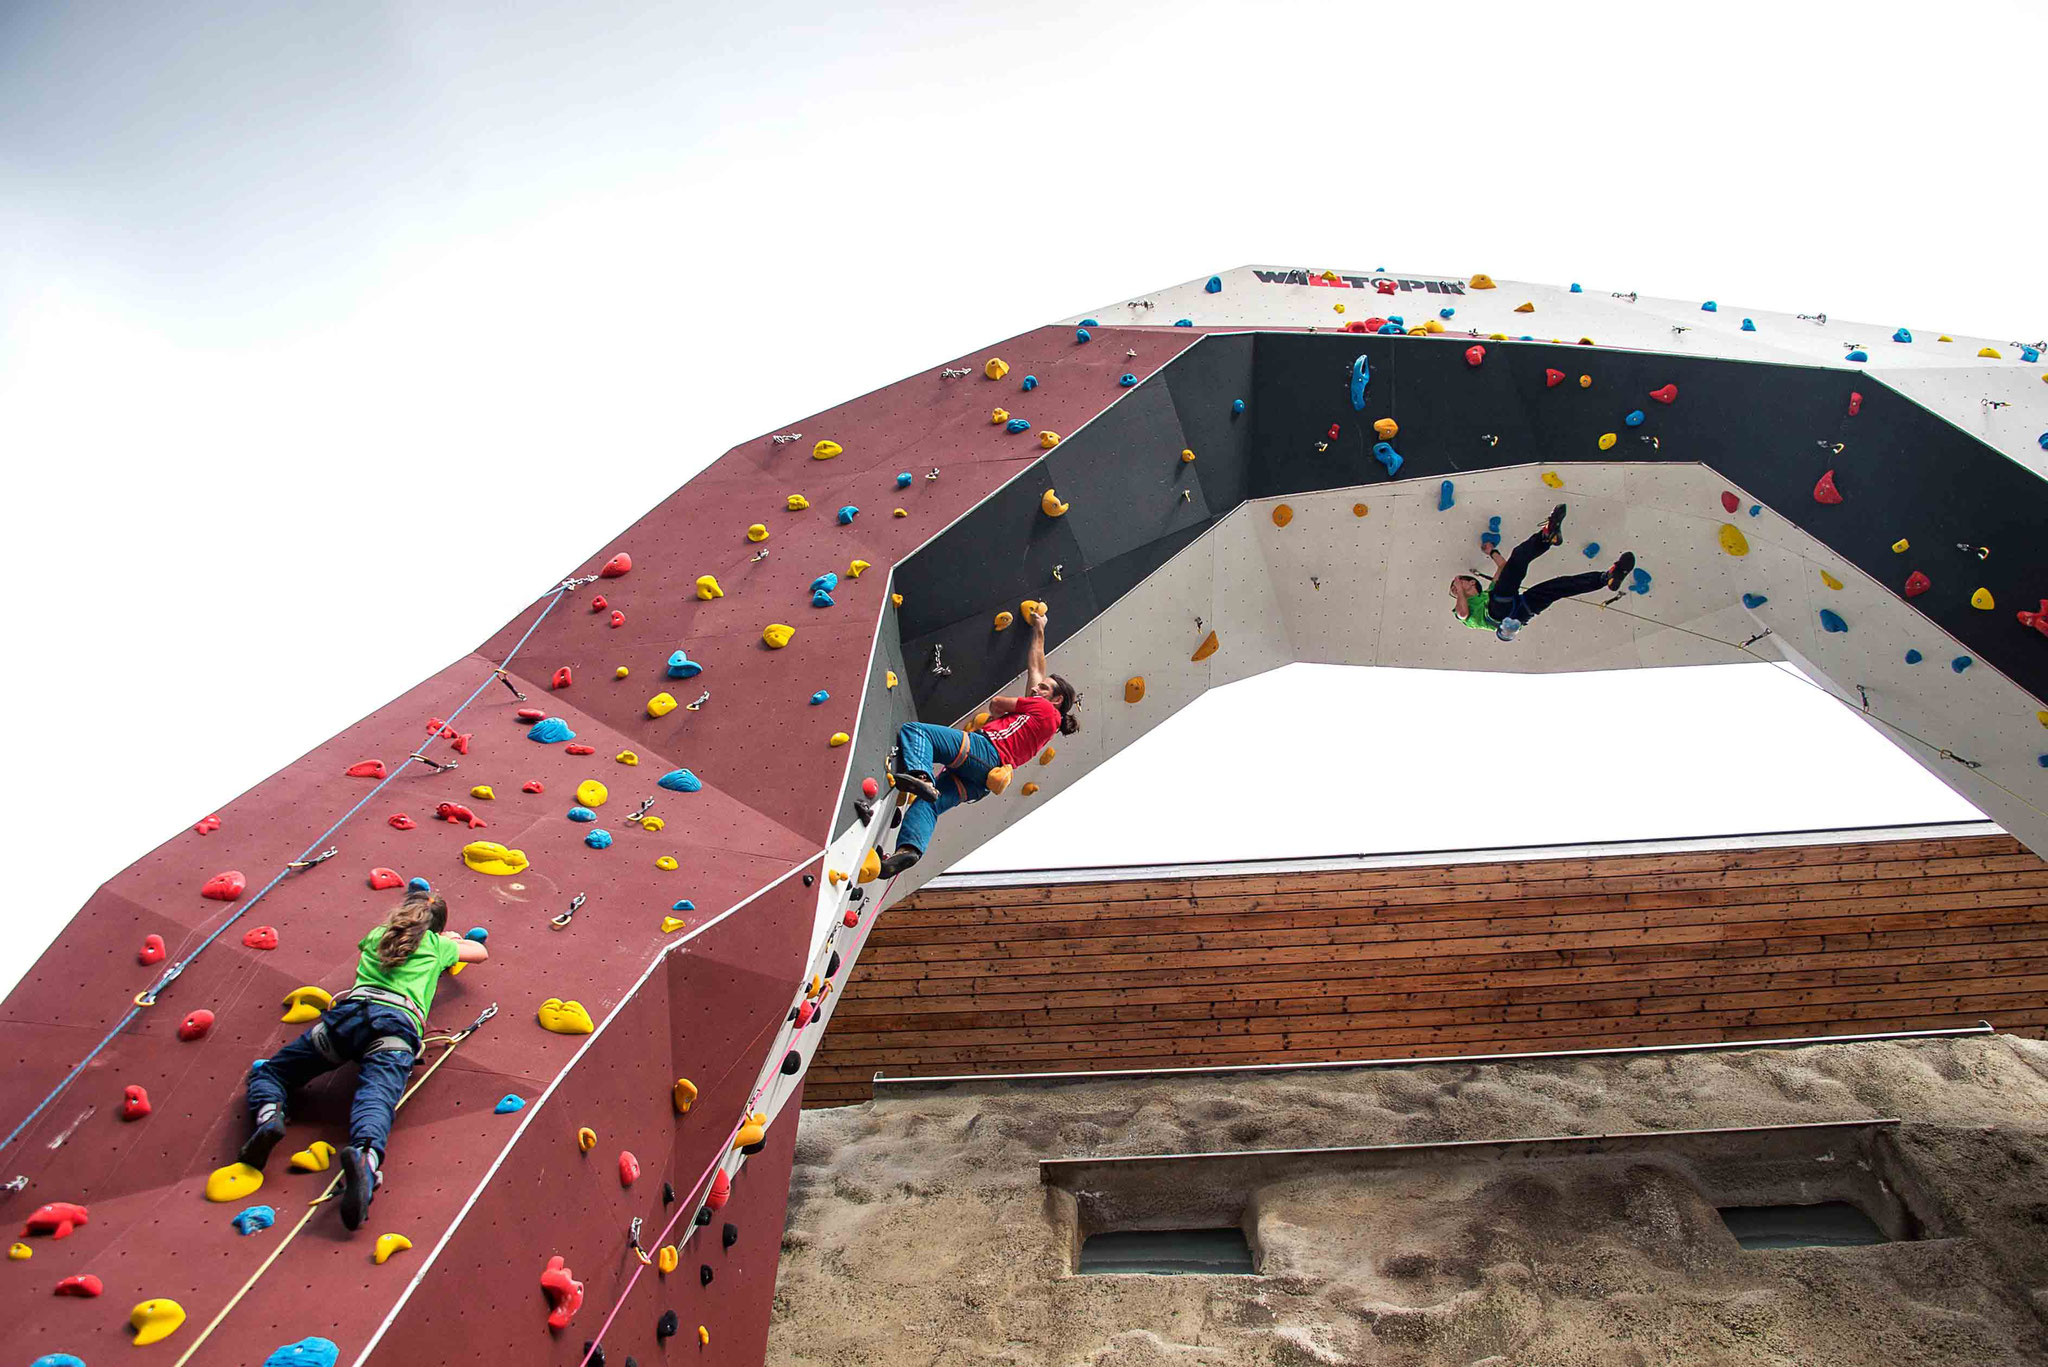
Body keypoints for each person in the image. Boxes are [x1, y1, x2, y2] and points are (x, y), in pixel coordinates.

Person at [237, 889, 487, 1230]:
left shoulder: (375, 936)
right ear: (437, 928)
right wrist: (451, 940)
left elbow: (396, 945)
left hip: (346, 1022)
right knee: (376, 1100)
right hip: (394, 1031)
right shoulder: (438, 946)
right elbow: (480, 953)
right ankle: (364, 1159)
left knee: (273, 1074)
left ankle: (269, 1117)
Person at [858, 605, 1079, 877]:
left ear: (1057, 700)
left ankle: (921, 775)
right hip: (984, 781)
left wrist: (999, 711)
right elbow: (1036, 664)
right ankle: (908, 851)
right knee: (931, 804)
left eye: (1043, 688)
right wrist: (1039, 627)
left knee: (917, 732)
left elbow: (997, 704)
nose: (1036, 688)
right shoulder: (1044, 722)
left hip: (985, 750)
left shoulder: (1044, 709)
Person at [1450, 504, 1635, 643]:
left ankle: (1606, 578)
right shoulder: (1468, 607)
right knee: (1518, 568)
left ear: (1472, 583)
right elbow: (1463, 613)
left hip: (1517, 608)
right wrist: (1459, 589)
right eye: (1455, 587)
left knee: (1557, 587)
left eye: (1458, 583)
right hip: (1497, 611)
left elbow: (1504, 567)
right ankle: (1545, 537)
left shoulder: (1488, 593)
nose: (1456, 586)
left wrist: (1491, 551)